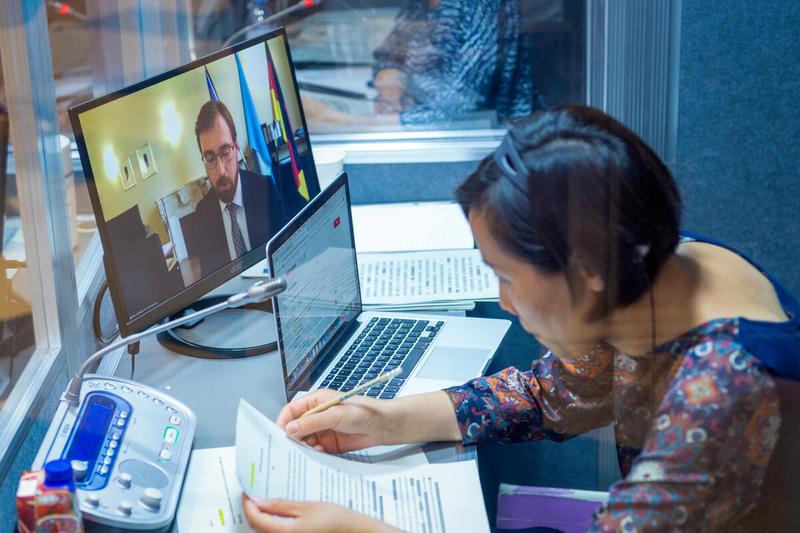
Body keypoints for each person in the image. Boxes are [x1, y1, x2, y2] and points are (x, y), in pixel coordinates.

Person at [242, 105, 799, 531]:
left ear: (588, 269)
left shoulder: (722, 391)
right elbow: (552, 391)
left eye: (506, 277)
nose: (503, 301)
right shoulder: (658, 263)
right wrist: (383, 421)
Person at [302, 0, 544, 131]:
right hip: (419, 119)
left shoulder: (482, 6)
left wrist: (334, 121)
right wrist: (391, 89)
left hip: (489, 144)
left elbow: (457, 109)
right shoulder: (420, 4)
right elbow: (391, 54)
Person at [189, 100, 287, 278]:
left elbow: (287, 259)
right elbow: (210, 283)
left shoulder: (266, 191)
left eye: (225, 152)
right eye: (210, 158)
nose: (220, 170)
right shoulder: (202, 214)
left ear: (236, 147)